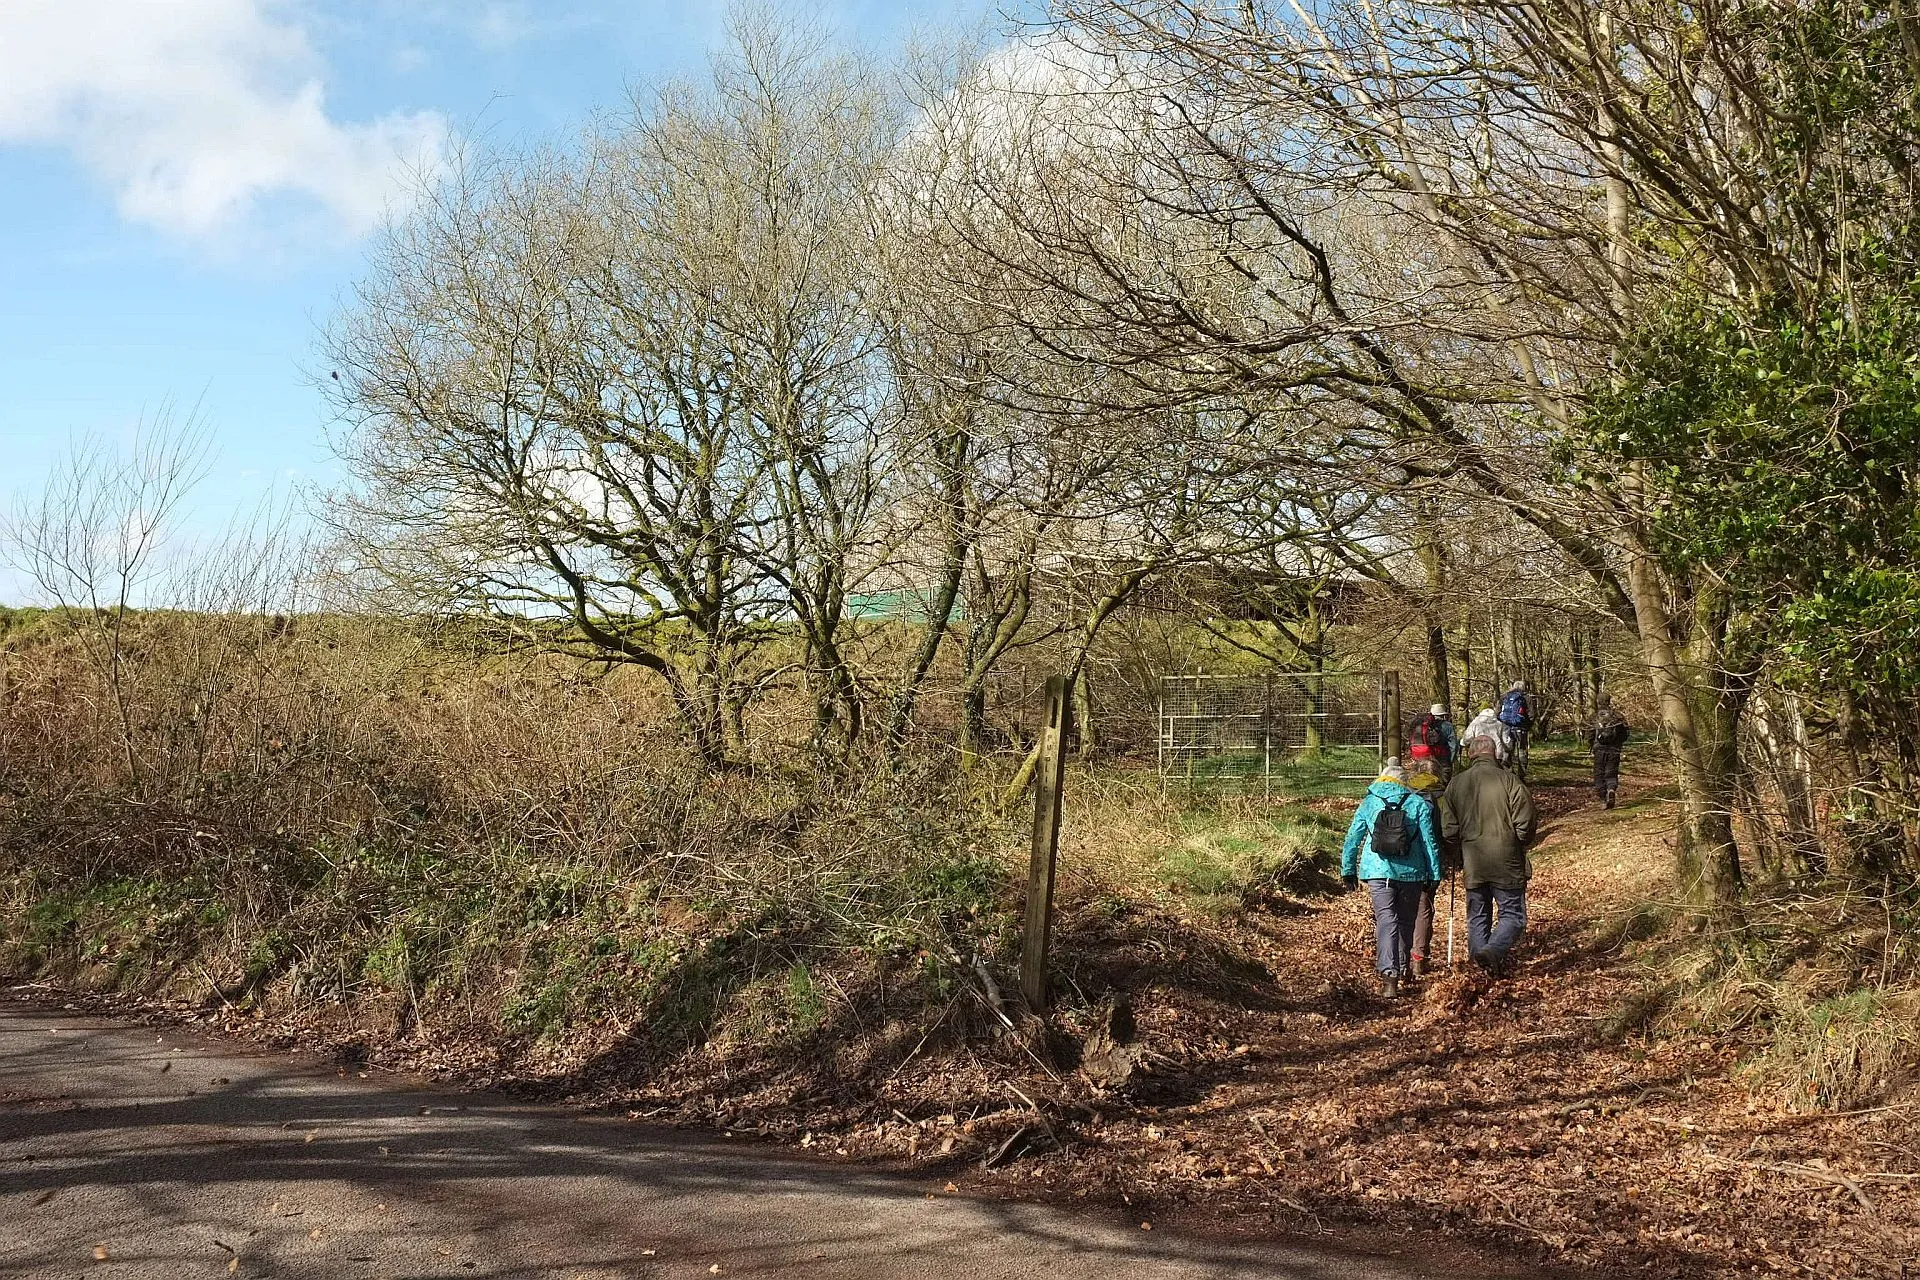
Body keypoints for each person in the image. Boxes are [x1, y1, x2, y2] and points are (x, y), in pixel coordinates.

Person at [1341, 759, 1443, 997]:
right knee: (1406, 922)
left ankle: (1389, 976)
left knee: (1387, 920)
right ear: (1404, 781)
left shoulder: (1369, 802)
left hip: (1377, 872)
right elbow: (1429, 842)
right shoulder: (1417, 803)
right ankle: (1403, 966)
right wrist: (1434, 873)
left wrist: (1348, 870)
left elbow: (1352, 838)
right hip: (1412, 872)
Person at [1441, 736, 1538, 977]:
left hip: (1473, 861)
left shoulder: (1456, 784)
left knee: (1477, 916)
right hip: (1506, 860)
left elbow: (1449, 830)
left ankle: (1479, 968)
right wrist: (1517, 841)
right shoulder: (1510, 781)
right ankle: (1492, 952)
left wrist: (1459, 849)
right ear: (1494, 754)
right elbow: (1525, 824)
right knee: (1513, 916)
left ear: (1471, 755)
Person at [1404, 757, 1449, 976]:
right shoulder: (1441, 797)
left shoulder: (1405, 795)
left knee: (1404, 909)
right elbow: (1447, 830)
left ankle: (1399, 956)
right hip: (1430, 861)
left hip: (1403, 861)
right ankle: (1419, 957)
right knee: (1424, 909)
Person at [1590, 695, 1630, 808]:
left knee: (1599, 774)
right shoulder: (1618, 716)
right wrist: (1618, 743)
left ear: (1598, 702)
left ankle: (1603, 798)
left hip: (1599, 750)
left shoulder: (1594, 717)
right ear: (1609, 701)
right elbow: (1626, 734)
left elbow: (1589, 734)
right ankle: (1611, 790)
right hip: (1614, 750)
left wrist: (1591, 745)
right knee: (1611, 772)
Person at [1407, 702, 1458, 782]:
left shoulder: (1421, 724)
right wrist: (1451, 760)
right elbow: (1453, 745)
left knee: (1425, 779)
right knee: (1444, 781)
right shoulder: (1447, 725)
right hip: (1442, 758)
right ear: (1443, 714)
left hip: (1425, 756)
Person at [1497, 681, 1533, 778]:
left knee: (1507, 751)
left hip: (1506, 728)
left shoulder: (1504, 697)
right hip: (1521, 729)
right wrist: (1528, 726)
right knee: (1522, 752)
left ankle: (1508, 775)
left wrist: (1502, 724)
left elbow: (1497, 712)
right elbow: (1531, 715)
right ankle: (1521, 777)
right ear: (1523, 687)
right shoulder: (1526, 698)